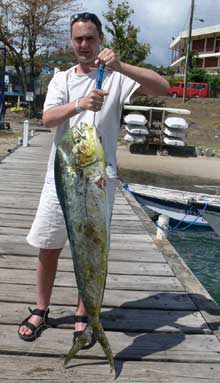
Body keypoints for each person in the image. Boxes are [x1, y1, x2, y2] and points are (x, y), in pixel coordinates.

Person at [18, 12, 169, 343]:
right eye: (78, 39)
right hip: (60, 177)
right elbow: (47, 118)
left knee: (90, 249)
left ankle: (82, 314)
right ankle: (41, 309)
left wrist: (121, 66)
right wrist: (80, 104)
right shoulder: (62, 79)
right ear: (72, 42)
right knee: (47, 245)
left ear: (101, 40)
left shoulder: (115, 77)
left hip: (100, 180)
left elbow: (163, 86)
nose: (84, 44)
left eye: (90, 38)